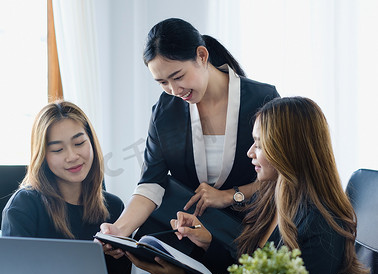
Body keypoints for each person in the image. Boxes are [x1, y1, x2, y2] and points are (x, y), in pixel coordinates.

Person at [127, 96, 368, 274]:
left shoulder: (323, 223)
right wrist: (208, 243)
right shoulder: (271, 199)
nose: (250, 152)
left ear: (289, 150)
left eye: (260, 145)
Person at [101, 17, 279, 259]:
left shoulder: (262, 98)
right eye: (163, 82)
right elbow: (151, 183)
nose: (174, 90)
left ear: (202, 56)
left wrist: (230, 195)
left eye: (178, 76)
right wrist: (120, 230)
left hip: (251, 236)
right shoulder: (165, 111)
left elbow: (283, 175)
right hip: (189, 242)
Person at [1, 101, 131, 274]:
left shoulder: (113, 207)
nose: (72, 156)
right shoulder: (24, 207)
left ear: (91, 142)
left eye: (79, 143)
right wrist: (88, 257)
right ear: (43, 156)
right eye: (57, 150)